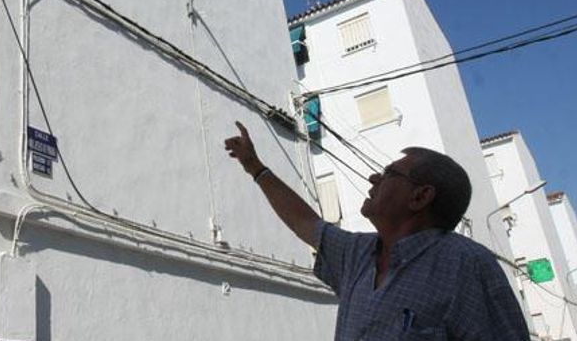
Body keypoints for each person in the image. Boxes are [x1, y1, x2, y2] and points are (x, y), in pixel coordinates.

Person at [224, 121, 529, 340]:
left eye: (389, 173)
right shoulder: (357, 254)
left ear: (420, 196)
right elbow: (303, 221)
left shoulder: (467, 266)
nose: (373, 178)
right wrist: (254, 167)